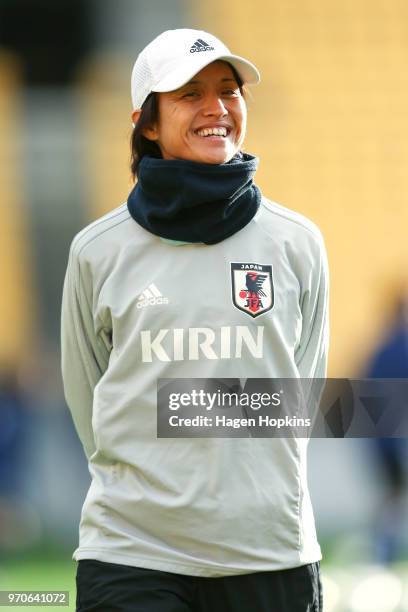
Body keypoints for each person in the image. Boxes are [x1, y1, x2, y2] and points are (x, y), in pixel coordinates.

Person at [61, 28, 329, 612]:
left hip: (269, 553)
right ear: (147, 123)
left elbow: (298, 393)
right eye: (189, 93)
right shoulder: (96, 251)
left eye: (229, 90)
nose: (217, 108)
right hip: (131, 551)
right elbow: (90, 401)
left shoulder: (298, 242)